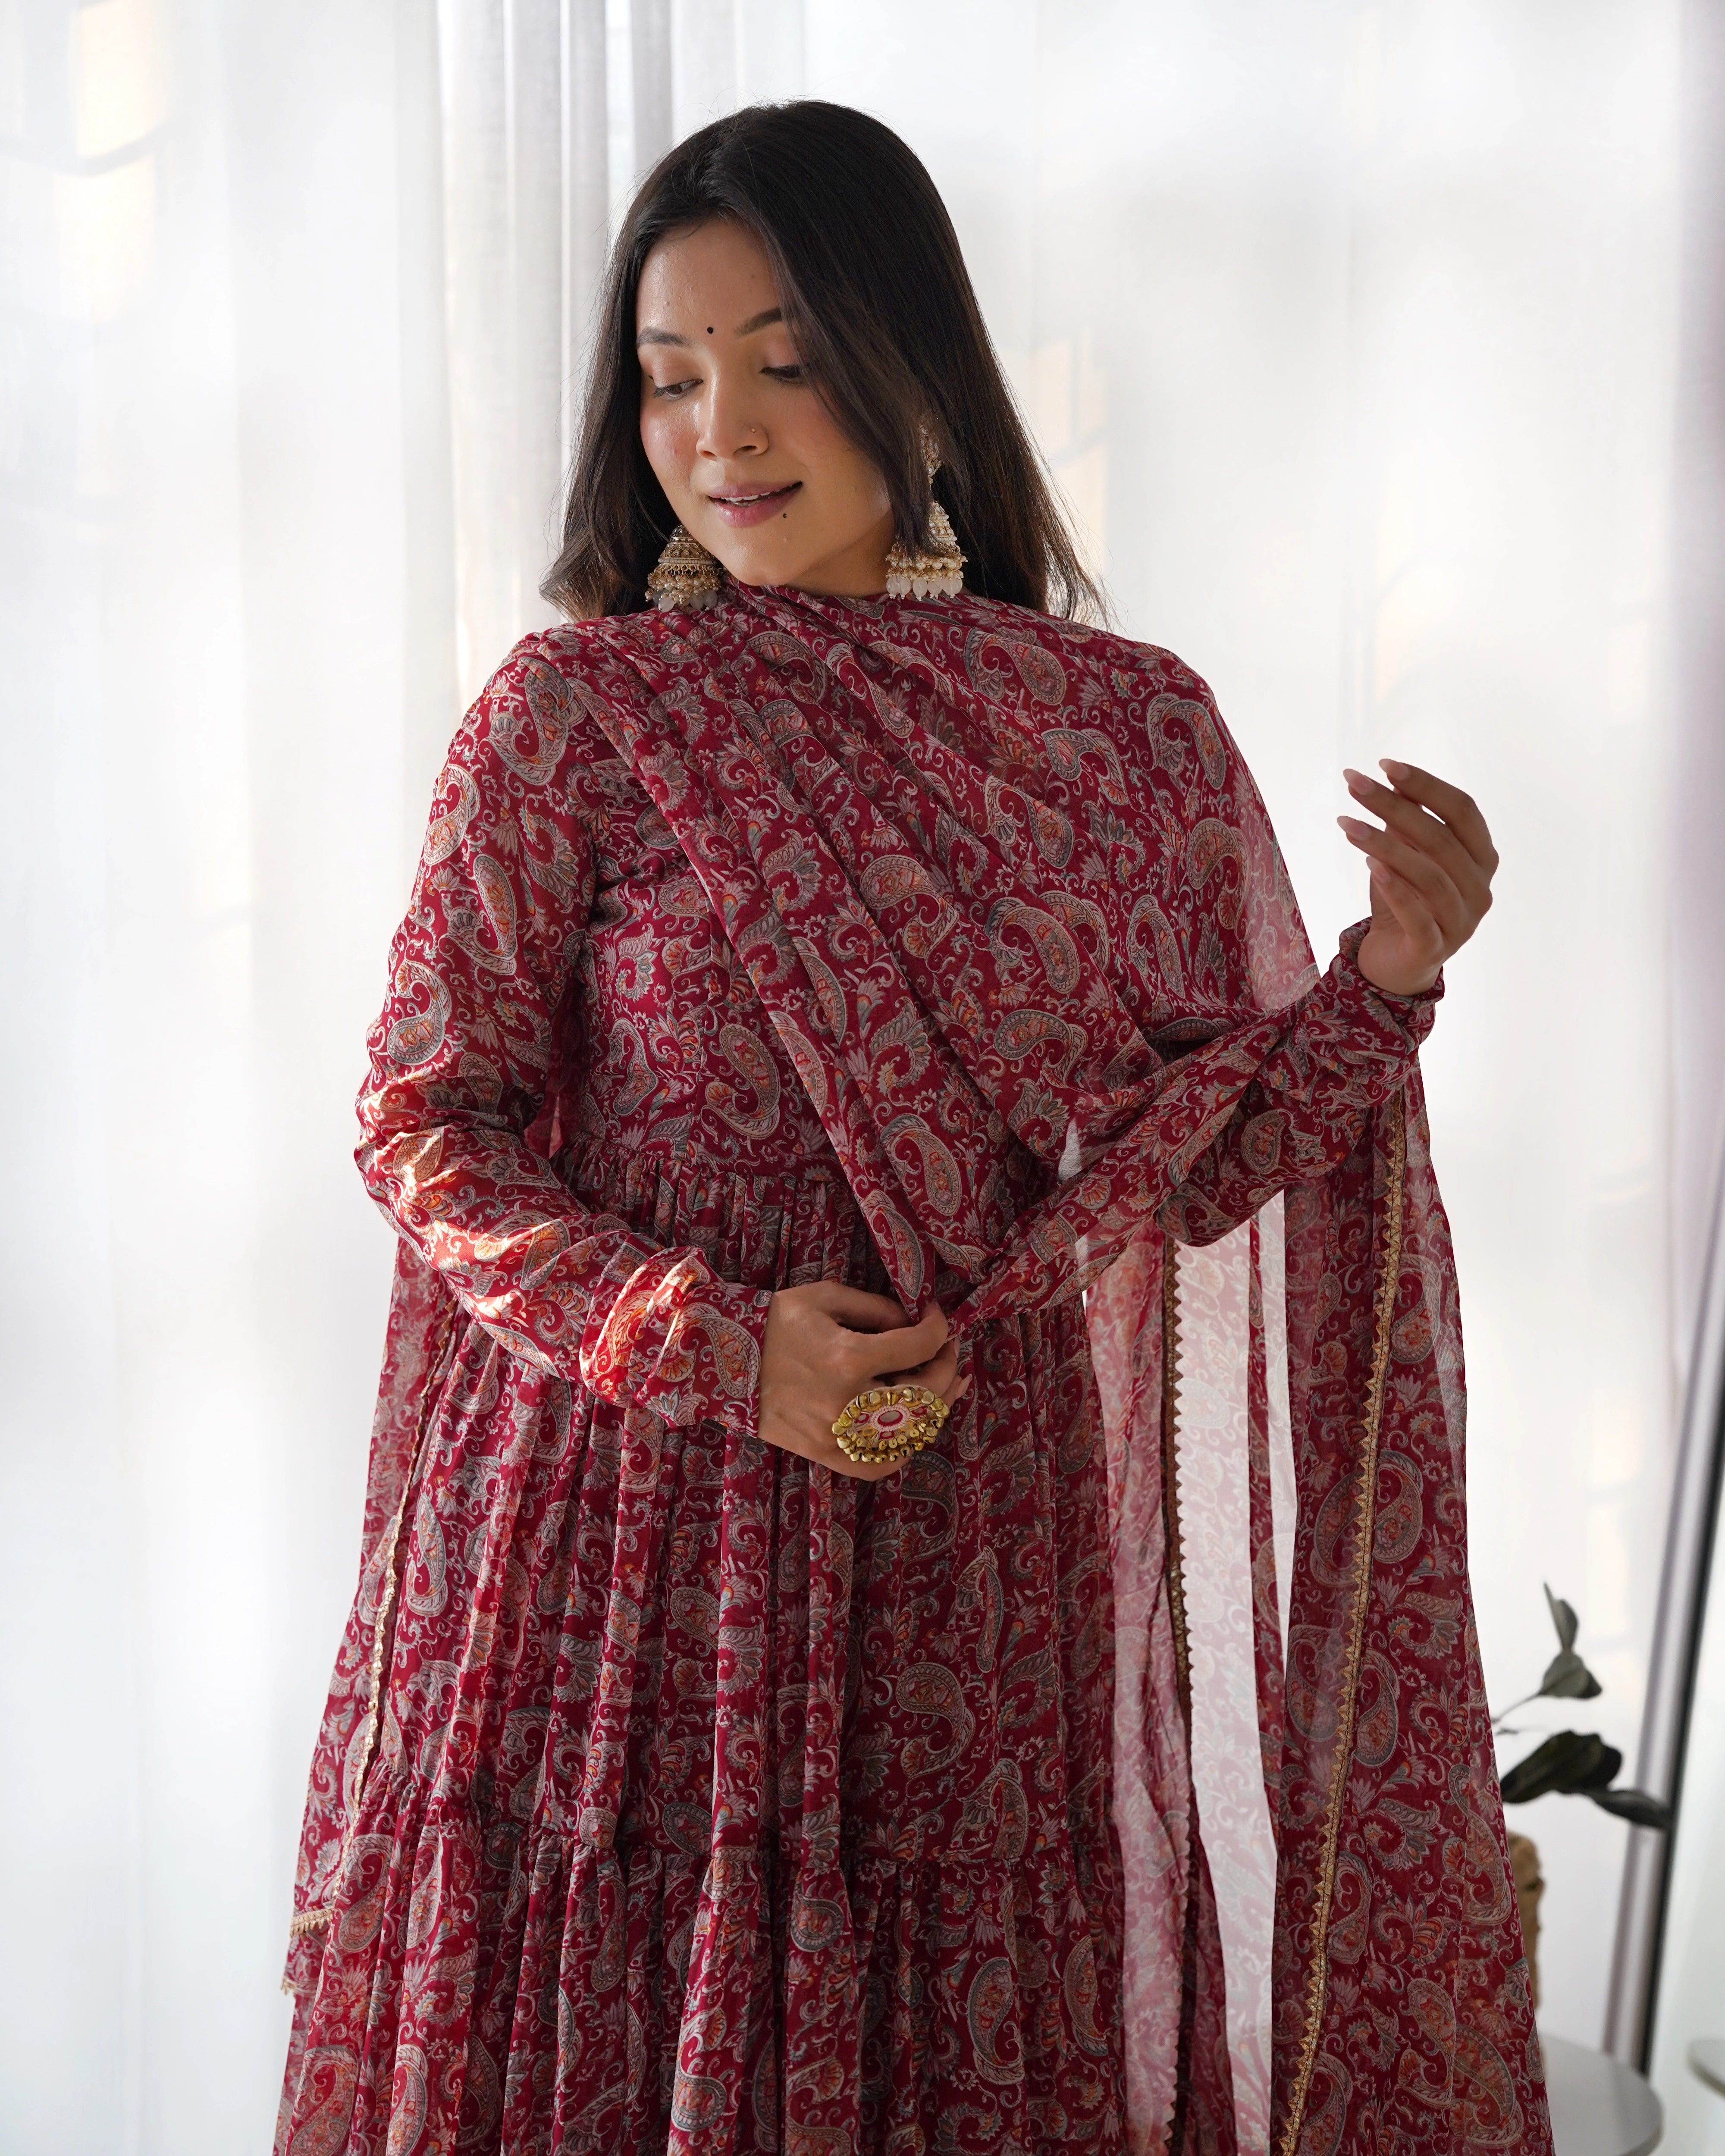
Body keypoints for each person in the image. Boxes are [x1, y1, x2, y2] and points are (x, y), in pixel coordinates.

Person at [276, 100, 1549, 2156]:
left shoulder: (1118, 734)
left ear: (909, 362)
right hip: (635, 1576)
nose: (724, 427)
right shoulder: (575, 720)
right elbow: (428, 1127)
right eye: (670, 377)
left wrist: (1386, 978)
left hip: (972, 1581)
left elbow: (1179, 1162)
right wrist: (705, 1342)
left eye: (782, 358)